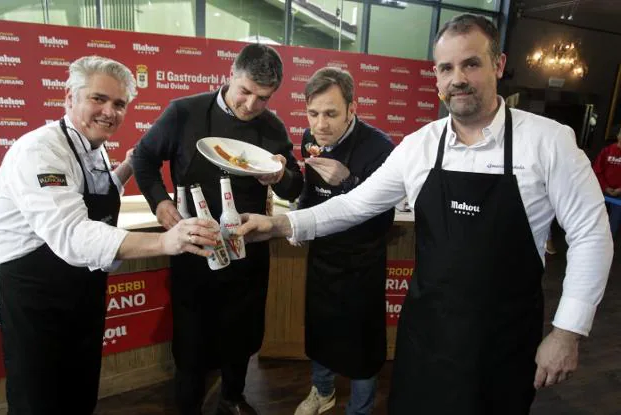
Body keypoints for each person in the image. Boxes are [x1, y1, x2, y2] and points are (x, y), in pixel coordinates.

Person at [235, 14, 613, 415]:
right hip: (426, 335)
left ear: (498, 65)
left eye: (471, 63)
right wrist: (279, 224)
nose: (457, 79)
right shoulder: (420, 146)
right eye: (446, 68)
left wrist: (567, 331)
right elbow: (355, 204)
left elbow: (591, 235)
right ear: (436, 75)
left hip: (502, 339)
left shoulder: (548, 141)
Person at [0, 55, 218, 415]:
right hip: (36, 296)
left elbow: (93, 191)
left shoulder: (94, 148)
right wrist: (164, 241)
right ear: (70, 97)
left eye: (119, 104)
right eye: (98, 99)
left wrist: (127, 167)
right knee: (38, 398)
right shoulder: (40, 151)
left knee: (81, 389)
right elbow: (72, 233)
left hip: (83, 290)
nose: (109, 112)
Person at [132, 43, 303, 415]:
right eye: (245, 92)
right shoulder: (185, 112)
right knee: (192, 338)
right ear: (230, 74)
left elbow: (294, 187)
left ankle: (233, 396)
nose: (250, 106)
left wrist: (281, 175)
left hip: (249, 249)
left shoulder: (272, 127)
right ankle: (189, 403)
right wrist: (160, 203)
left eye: (263, 98)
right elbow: (143, 158)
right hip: (194, 247)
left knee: (241, 332)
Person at [292, 67, 394, 415]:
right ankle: (323, 393)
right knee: (320, 334)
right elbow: (308, 193)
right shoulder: (311, 137)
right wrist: (298, 221)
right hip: (323, 258)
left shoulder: (379, 148)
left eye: (331, 113)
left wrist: (349, 181)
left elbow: (384, 220)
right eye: (313, 113)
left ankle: (360, 409)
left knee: (361, 347)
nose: (320, 125)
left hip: (362, 264)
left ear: (353, 108)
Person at [593, 126, 621, 237]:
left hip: (619, 195)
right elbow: (597, 171)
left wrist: (619, 190)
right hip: (603, 191)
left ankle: (608, 240)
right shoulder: (607, 151)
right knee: (597, 215)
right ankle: (593, 238)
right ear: (618, 135)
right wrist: (605, 187)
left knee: (615, 219)